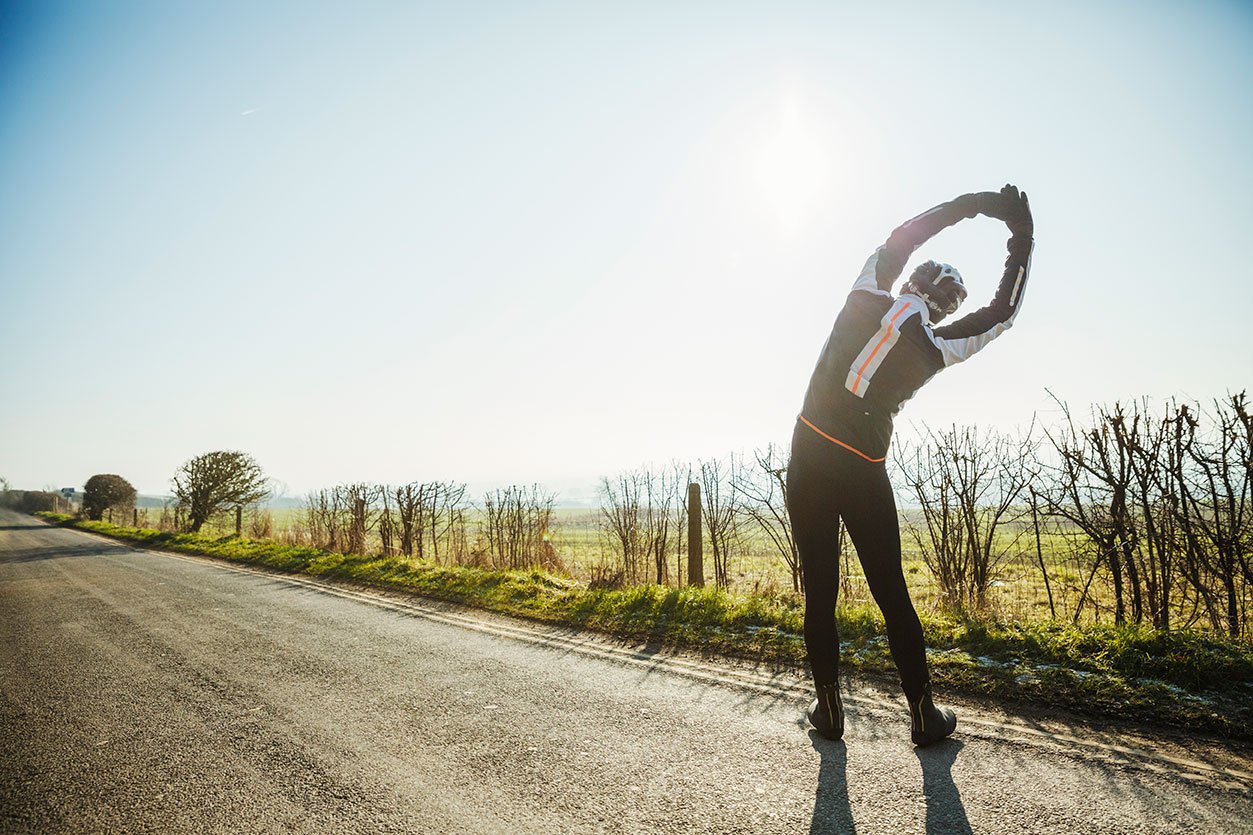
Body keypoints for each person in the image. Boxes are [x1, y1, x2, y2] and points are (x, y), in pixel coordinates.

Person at [787, 184, 1034, 746]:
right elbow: (1003, 314)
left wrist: (978, 204)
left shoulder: (864, 292)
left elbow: (906, 232)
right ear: (946, 306)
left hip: (808, 454)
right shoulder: (935, 347)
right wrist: (1022, 239)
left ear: (910, 280)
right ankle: (923, 715)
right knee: (891, 591)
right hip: (862, 470)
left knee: (820, 590)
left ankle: (829, 711)